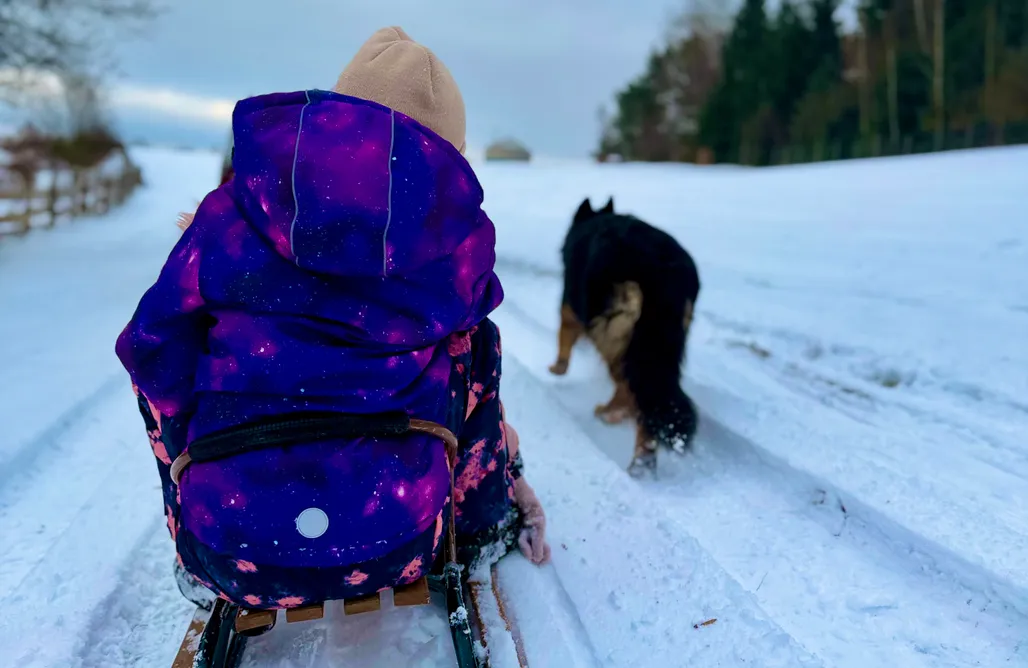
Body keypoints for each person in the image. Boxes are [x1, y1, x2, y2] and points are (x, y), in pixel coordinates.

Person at [116, 26, 550, 611]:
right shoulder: (457, 244)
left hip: (232, 547)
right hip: (400, 537)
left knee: (164, 360)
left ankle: (190, 542)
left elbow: (150, 348)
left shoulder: (234, 214)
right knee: (475, 347)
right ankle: (477, 524)